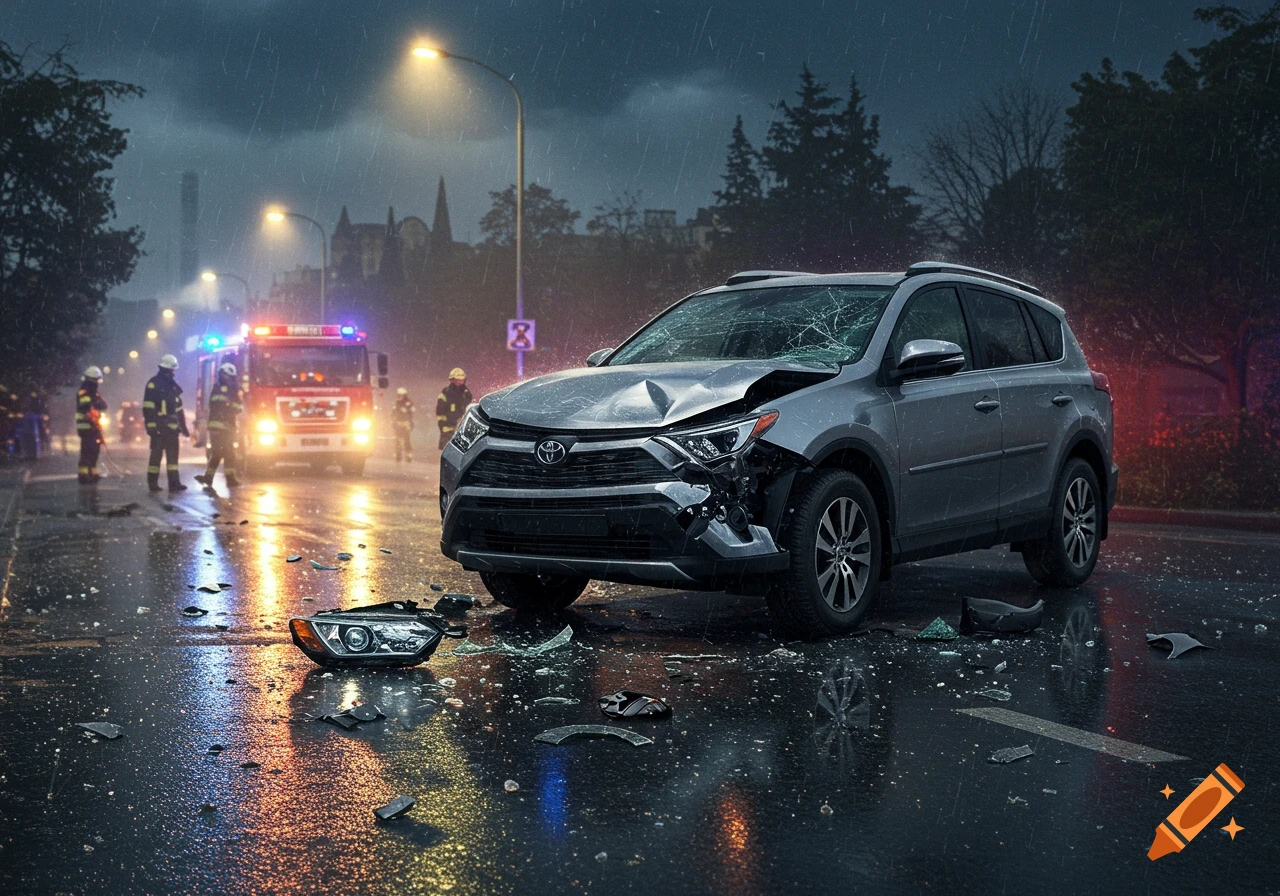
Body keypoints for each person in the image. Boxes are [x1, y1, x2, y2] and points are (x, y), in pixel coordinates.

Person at [142, 353, 188, 493]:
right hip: (159, 427)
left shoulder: (172, 387)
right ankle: (153, 484)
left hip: (172, 430)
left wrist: (183, 426)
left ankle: (174, 484)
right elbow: (148, 407)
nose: (173, 372)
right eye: (172, 370)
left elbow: (179, 409)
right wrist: (151, 427)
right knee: (156, 457)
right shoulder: (153, 384)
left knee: (173, 459)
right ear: (166, 369)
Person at [195, 362, 243, 490]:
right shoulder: (227, 389)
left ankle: (210, 478)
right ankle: (227, 479)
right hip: (223, 427)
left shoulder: (219, 388)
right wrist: (231, 405)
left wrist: (232, 405)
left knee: (221, 453)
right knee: (225, 453)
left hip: (220, 427)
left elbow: (235, 407)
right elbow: (231, 407)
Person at [75, 367, 107, 483]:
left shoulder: (94, 393)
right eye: (97, 380)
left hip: (93, 427)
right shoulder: (84, 392)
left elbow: (103, 405)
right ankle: (83, 475)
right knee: (87, 451)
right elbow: (85, 405)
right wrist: (95, 403)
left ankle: (93, 473)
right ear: (93, 380)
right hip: (86, 427)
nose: (98, 383)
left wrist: (96, 403)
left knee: (94, 450)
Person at [437, 368, 473, 449]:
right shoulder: (446, 392)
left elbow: (468, 407)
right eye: (457, 380)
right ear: (452, 380)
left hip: (462, 424)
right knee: (447, 448)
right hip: (448, 425)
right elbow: (440, 410)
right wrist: (442, 424)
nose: (459, 382)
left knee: (461, 448)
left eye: (461, 380)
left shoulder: (466, 393)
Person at [392, 387, 415, 462]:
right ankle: (398, 455)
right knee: (398, 440)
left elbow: (411, 414)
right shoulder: (396, 403)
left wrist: (411, 423)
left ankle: (409, 455)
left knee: (406, 440)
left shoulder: (409, 403)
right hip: (398, 423)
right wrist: (394, 422)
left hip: (406, 424)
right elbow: (393, 414)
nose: (400, 397)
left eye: (401, 395)